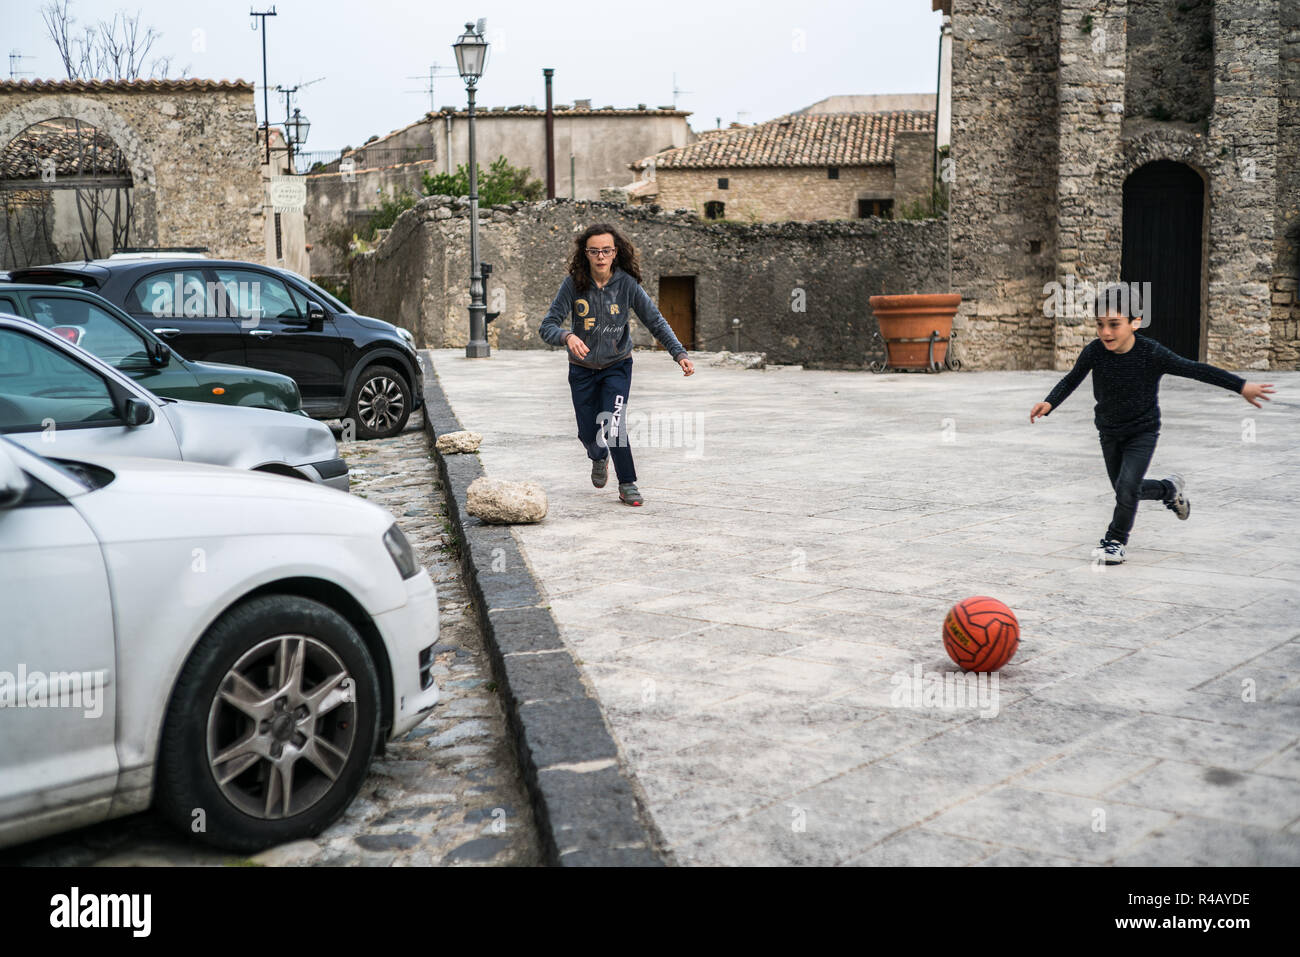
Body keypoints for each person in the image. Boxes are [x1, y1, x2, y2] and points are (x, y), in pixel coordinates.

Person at [1029, 284, 1274, 564]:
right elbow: (1072, 378)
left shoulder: (1151, 353)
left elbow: (1194, 369)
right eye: (1100, 325)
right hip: (1109, 432)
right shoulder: (1095, 352)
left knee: (1126, 490)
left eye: (1114, 324)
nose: (1105, 332)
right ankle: (1169, 489)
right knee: (1126, 489)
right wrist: (1050, 403)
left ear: (1135, 322)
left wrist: (1240, 385)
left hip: (1142, 432)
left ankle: (1115, 541)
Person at [538, 223, 695, 506]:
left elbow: (655, 321)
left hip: (617, 366)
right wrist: (567, 335)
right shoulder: (573, 284)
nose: (600, 256)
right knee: (588, 432)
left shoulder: (627, 285)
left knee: (613, 423)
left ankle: (628, 483)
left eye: (606, 250)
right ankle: (598, 457)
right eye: (594, 251)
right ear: (585, 254)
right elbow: (547, 326)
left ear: (615, 252)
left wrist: (679, 353)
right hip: (582, 369)